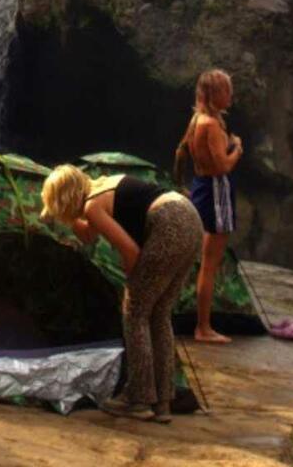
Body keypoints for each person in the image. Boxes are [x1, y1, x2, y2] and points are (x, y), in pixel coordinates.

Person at [41, 164, 202, 423]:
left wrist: (133, 282)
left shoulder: (92, 206)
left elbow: (130, 252)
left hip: (169, 223)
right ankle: (163, 402)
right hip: (190, 219)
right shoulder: (104, 186)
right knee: (159, 314)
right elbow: (89, 236)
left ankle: (137, 399)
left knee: (135, 311)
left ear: (64, 198)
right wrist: (72, 222)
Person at [174, 68, 243, 344]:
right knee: (210, 264)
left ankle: (199, 322)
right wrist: (237, 147)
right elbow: (223, 166)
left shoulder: (196, 120)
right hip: (216, 190)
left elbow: (185, 154)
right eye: (227, 90)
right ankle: (203, 328)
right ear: (215, 94)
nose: (231, 95)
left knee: (202, 260)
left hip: (200, 186)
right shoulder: (211, 126)